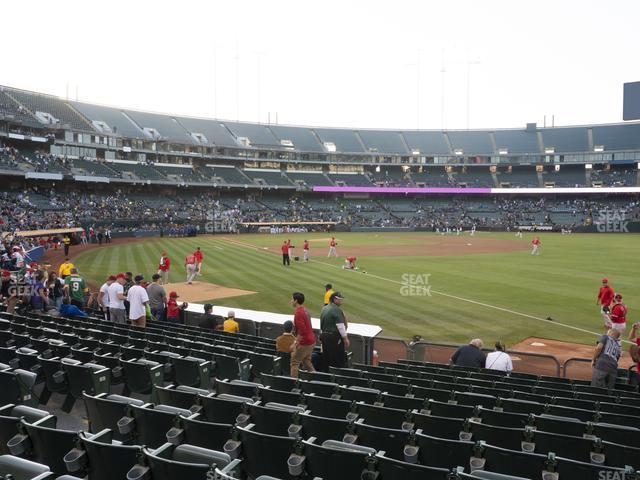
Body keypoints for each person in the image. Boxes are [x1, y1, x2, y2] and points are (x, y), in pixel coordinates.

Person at [319, 292, 349, 370]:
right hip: (334, 338)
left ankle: (326, 376)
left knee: (326, 358)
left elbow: (321, 324)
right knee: (336, 359)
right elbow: (340, 326)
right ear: (335, 299)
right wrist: (345, 339)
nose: (341, 301)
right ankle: (336, 377)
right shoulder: (337, 310)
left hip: (324, 336)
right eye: (340, 299)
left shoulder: (324, 308)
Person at [290, 292, 316, 378]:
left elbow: (302, 331)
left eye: (292, 299)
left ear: (296, 301)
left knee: (294, 362)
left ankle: (294, 384)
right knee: (306, 360)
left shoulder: (298, 313)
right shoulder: (305, 310)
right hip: (311, 340)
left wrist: (295, 343)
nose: (291, 301)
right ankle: (315, 378)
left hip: (305, 342)